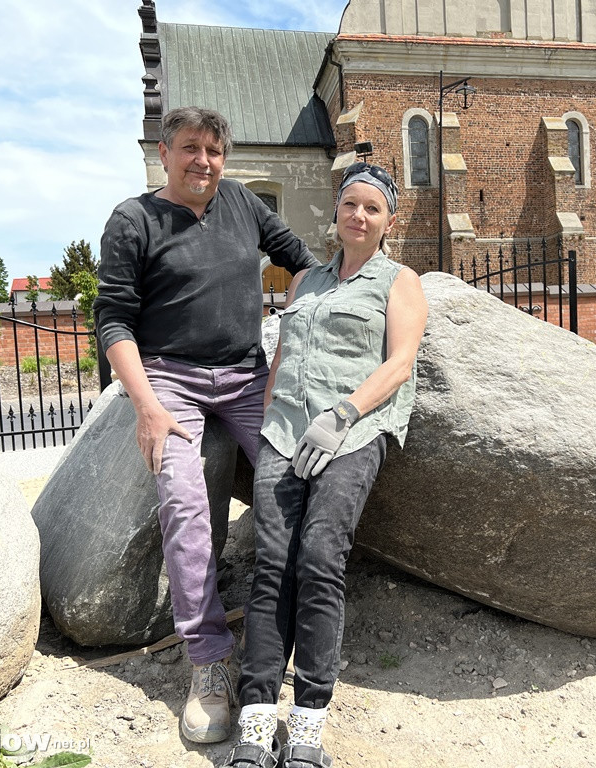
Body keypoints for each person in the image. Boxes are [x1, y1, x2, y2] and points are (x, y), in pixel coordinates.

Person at [93, 106, 319, 745]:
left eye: (214, 150)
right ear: (165, 154)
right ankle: (209, 661)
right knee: (187, 503)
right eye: (189, 148)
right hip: (169, 377)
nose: (203, 161)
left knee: (294, 480)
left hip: (248, 375)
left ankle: (298, 635)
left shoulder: (245, 203)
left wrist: (288, 345)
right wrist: (146, 405)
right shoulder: (134, 219)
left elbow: (302, 264)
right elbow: (113, 318)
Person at [222, 162, 427, 768]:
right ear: (336, 213)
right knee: (271, 567)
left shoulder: (399, 281)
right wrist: (267, 427)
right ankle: (257, 720)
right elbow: (282, 354)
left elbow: (400, 363)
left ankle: (308, 719)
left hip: (353, 431)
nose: (359, 216)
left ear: (389, 219)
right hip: (285, 434)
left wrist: (342, 415)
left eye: (372, 208)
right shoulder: (305, 280)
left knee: (318, 559)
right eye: (350, 206)